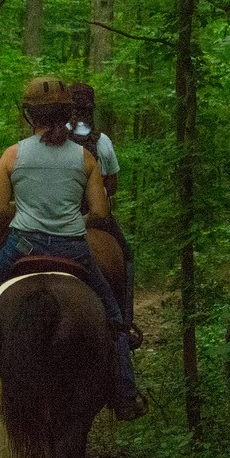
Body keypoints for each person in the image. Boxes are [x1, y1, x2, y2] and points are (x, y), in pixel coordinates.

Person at [0, 76, 147, 421]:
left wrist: (27, 212)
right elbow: (100, 212)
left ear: (30, 115)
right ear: (65, 113)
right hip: (74, 249)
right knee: (113, 317)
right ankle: (126, 393)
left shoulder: (12, 155)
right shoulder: (85, 159)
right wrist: (71, 222)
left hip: (23, 246)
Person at [68, 82, 136, 336]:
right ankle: (125, 320)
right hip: (95, 219)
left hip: (60, 213)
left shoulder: (53, 139)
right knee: (127, 256)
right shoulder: (102, 141)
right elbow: (113, 185)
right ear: (91, 109)